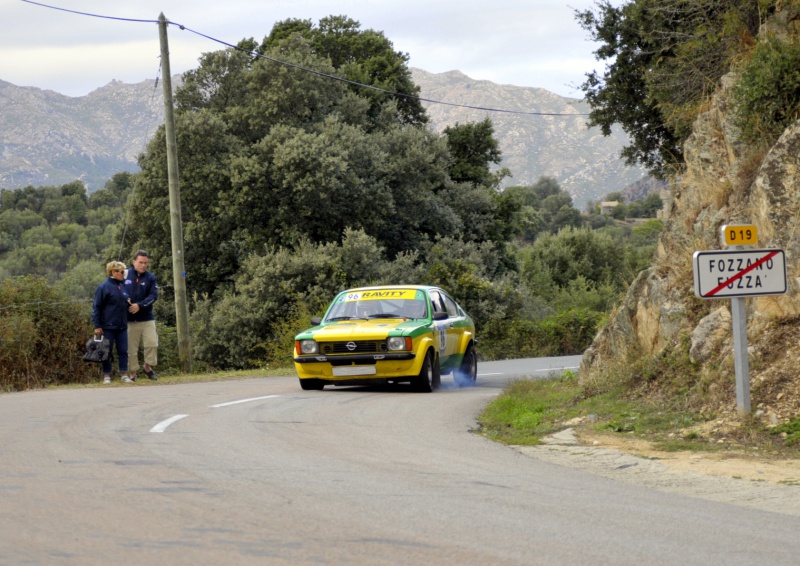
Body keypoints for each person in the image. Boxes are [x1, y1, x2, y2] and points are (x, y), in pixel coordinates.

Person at [92, 261, 132, 384]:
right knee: (107, 351)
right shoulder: (103, 287)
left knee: (123, 350)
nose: (124, 274)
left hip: (122, 325)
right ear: (113, 272)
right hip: (107, 326)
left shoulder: (123, 286)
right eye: (121, 272)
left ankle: (124, 374)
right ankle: (107, 375)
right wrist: (97, 325)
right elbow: (97, 307)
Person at [125, 250, 159, 381]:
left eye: (145, 263)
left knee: (152, 343)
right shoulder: (125, 274)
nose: (143, 265)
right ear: (134, 262)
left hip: (147, 318)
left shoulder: (151, 277)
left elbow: (154, 296)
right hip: (129, 320)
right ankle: (133, 373)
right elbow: (118, 290)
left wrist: (140, 305)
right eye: (140, 262)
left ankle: (147, 367)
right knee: (130, 349)